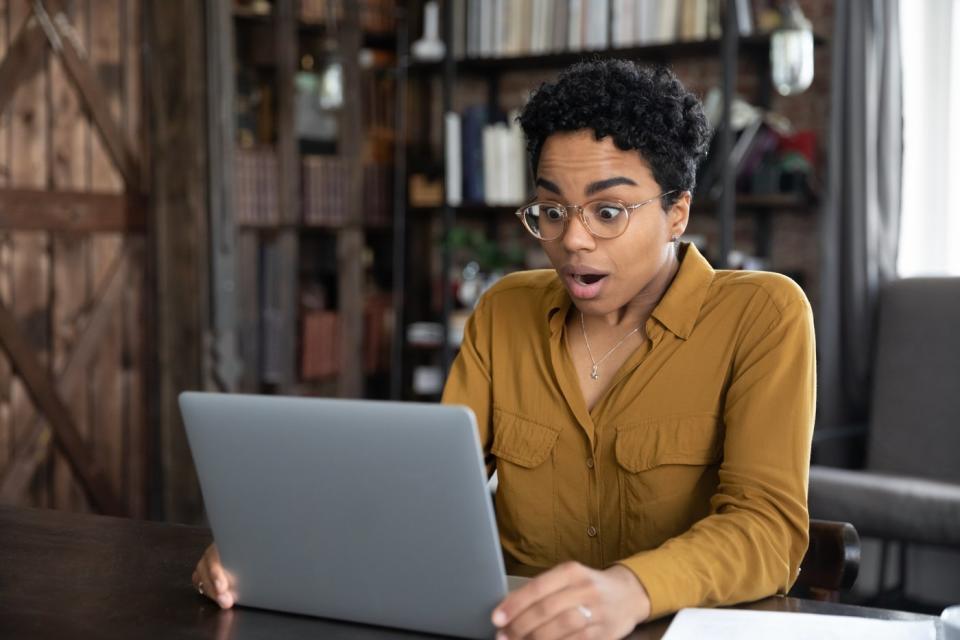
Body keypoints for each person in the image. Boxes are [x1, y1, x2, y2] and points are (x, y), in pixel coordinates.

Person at [193, 60, 815, 640]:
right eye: (551, 209)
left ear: (677, 211)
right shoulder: (504, 311)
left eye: (608, 211)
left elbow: (768, 530)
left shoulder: (762, 316)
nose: (572, 239)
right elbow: (417, 494)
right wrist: (273, 548)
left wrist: (631, 589)